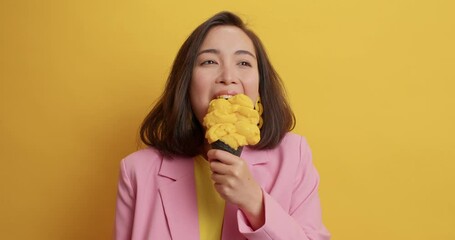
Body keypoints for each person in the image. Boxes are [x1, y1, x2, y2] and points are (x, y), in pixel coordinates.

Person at [114, 11, 330, 240]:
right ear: (186, 83)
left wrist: (254, 202)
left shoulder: (293, 156)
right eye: (209, 61)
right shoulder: (136, 171)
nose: (228, 76)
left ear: (259, 87)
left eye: (244, 62)